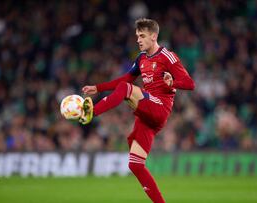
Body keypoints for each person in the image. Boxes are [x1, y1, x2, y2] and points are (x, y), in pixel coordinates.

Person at [80, 18, 195, 203]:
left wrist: (173, 82)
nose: (138, 40)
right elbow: (126, 78)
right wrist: (98, 87)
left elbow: (190, 83)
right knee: (135, 164)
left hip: (159, 108)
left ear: (154, 36)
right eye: (137, 36)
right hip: (146, 115)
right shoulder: (142, 58)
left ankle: (92, 112)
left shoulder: (167, 56)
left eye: (142, 36)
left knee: (127, 89)